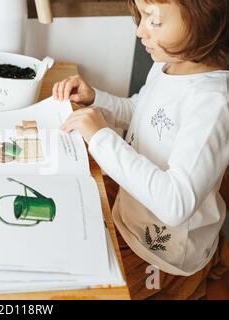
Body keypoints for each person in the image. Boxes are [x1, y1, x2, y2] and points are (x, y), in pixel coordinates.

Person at [53, 0, 229, 299]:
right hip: (129, 209)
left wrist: (101, 138)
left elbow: (176, 204)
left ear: (206, 20)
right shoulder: (168, 66)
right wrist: (96, 100)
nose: (139, 31)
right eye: (141, 16)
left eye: (154, 21)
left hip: (161, 254)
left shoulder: (213, 104)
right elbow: (141, 111)